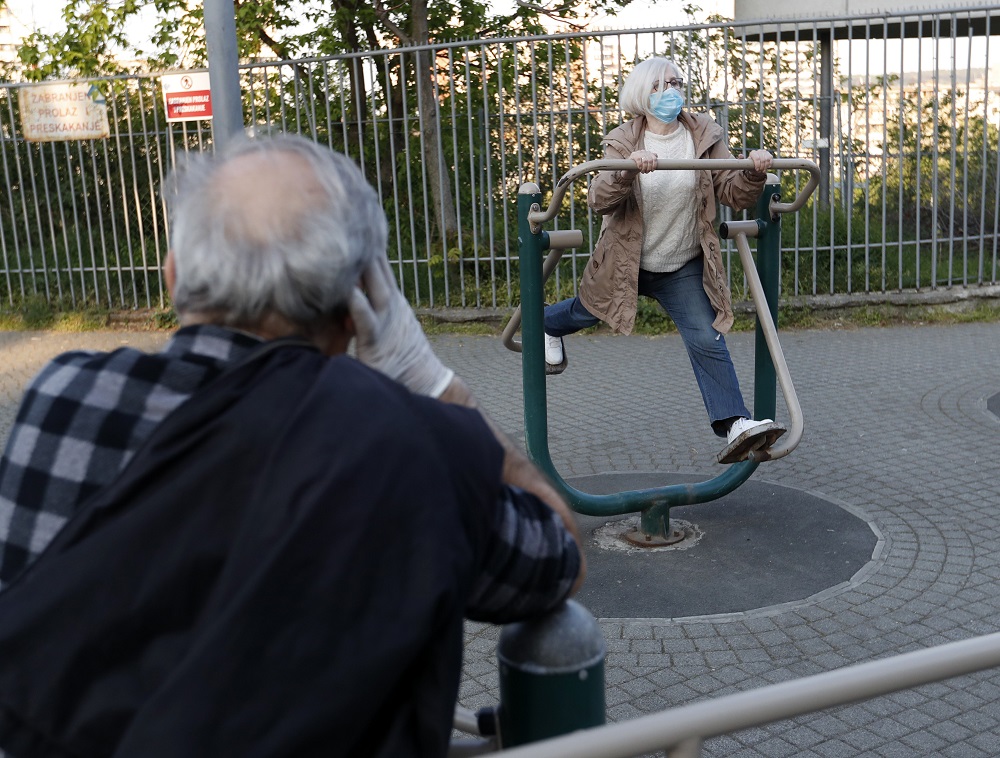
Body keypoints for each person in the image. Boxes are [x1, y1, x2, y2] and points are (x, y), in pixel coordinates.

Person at [0, 134, 584, 757]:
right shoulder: (416, 446)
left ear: (173, 276)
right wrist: (434, 382)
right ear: (359, 303)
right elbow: (560, 554)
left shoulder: (66, 397)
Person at [542, 56, 785, 464]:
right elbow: (599, 199)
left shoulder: (703, 134)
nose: (671, 91)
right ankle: (546, 324)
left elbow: (733, 193)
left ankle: (735, 424)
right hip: (627, 260)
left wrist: (754, 173)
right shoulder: (624, 139)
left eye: (676, 82)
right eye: (660, 85)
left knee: (707, 338)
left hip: (681, 264)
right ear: (642, 93)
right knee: (587, 312)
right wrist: (627, 172)